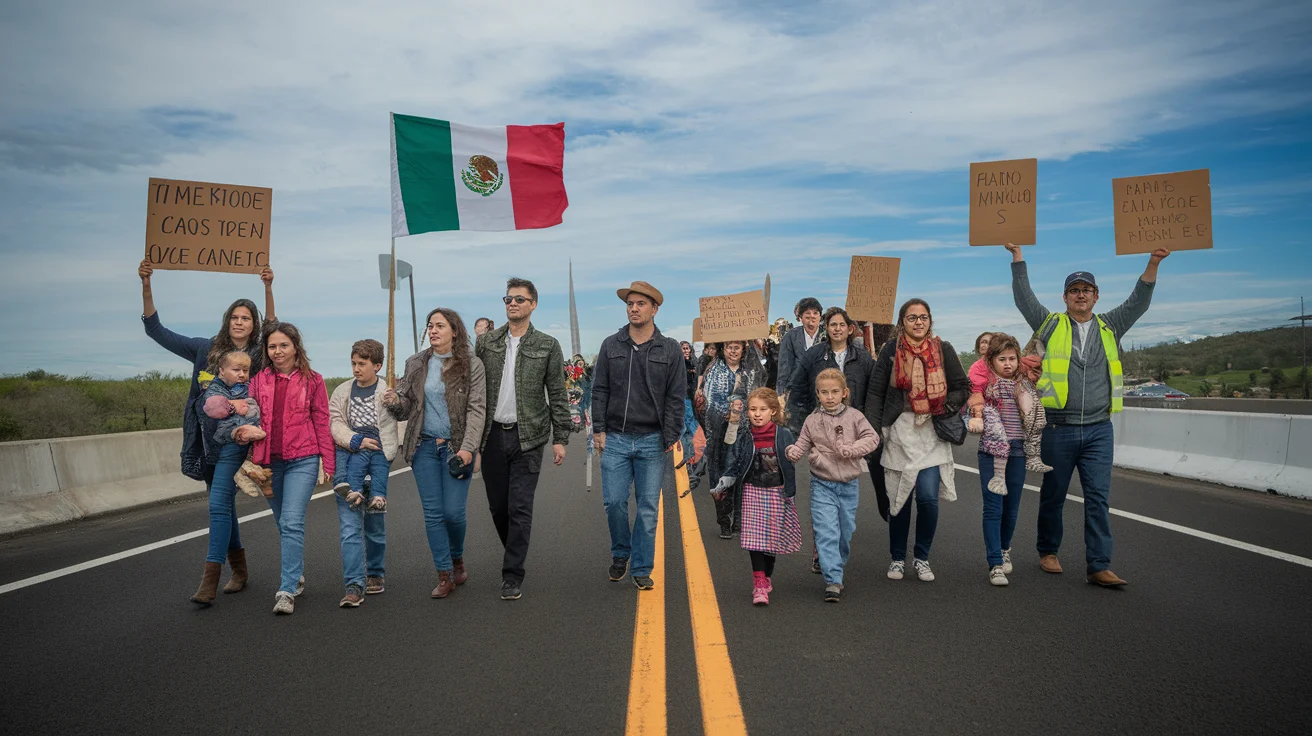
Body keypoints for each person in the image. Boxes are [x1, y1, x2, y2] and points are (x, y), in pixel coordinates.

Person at [1006, 242, 1169, 587]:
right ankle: (1048, 550)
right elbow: (1024, 299)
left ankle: (1098, 564)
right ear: (1065, 297)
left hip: (1098, 429)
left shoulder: (1111, 325)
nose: (1080, 295)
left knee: (1098, 497)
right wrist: (1018, 259)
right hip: (1058, 428)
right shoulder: (1050, 324)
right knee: (1054, 494)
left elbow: (1139, 300)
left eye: (1086, 290)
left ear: (1096, 296)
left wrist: (1153, 261)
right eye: (1074, 290)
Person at [138, 259, 275, 605]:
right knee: (224, 504)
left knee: (217, 506)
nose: (240, 322)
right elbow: (157, 331)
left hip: (238, 442)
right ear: (227, 321)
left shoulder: (259, 356)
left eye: (246, 318)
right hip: (205, 442)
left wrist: (268, 288)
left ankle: (209, 581)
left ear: (253, 324)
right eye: (235, 317)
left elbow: (275, 327)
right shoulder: (206, 350)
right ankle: (240, 571)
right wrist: (146, 284)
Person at [476, 277, 570, 602]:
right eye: (508, 299)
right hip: (491, 437)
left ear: (533, 304)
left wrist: (561, 437)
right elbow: (472, 390)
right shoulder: (486, 343)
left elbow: (557, 393)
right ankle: (514, 549)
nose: (512, 303)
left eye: (519, 299)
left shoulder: (547, 345)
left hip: (528, 437)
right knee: (498, 508)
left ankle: (512, 573)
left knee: (520, 507)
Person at [384, 308, 487, 599]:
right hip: (423, 446)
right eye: (430, 326)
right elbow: (406, 409)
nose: (433, 330)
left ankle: (457, 559)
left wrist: (468, 447)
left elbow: (477, 408)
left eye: (440, 325)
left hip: (456, 448)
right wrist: (394, 401)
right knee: (432, 514)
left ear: (455, 330)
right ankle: (444, 575)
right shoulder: (416, 363)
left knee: (453, 513)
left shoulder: (471, 364)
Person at [865, 299, 969, 584]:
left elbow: (962, 387)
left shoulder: (943, 348)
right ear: (902, 322)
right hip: (899, 432)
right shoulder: (890, 351)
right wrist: (873, 433)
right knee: (899, 500)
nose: (918, 322)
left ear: (930, 320)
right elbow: (875, 393)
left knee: (927, 498)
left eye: (923, 317)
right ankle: (897, 558)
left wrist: (945, 407)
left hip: (932, 433)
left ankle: (922, 557)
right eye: (912, 318)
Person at [592, 280, 685, 590]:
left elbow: (676, 395)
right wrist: (599, 429)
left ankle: (642, 567)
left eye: (640, 303)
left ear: (654, 309)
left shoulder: (670, 348)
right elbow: (600, 388)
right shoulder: (611, 345)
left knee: (648, 507)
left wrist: (671, 434)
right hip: (616, 438)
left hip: (651, 440)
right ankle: (621, 553)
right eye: (630, 304)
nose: (633, 308)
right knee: (614, 502)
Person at [248, 321, 335, 615]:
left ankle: (286, 590)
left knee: (292, 520)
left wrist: (329, 462)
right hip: (269, 464)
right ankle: (295, 573)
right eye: (272, 346)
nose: (277, 351)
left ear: (296, 346)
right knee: (282, 522)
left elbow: (322, 421)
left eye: (283, 345)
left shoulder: (313, 380)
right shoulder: (258, 380)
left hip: (304, 458)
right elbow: (248, 417)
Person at [785, 369, 879, 602]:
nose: (829, 396)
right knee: (826, 531)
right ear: (817, 394)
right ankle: (833, 579)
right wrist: (794, 451)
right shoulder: (812, 420)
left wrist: (852, 449)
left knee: (845, 532)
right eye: (824, 392)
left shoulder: (855, 416)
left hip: (849, 484)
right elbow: (802, 443)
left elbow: (872, 438)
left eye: (835, 392)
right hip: (822, 483)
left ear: (844, 393)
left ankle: (833, 561)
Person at [709, 387, 800, 605]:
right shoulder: (744, 435)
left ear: (773, 411)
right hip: (751, 490)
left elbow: (791, 461)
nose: (757, 414)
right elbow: (733, 461)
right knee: (755, 539)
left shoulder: (784, 434)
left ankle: (766, 574)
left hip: (777, 492)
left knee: (771, 540)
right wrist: (725, 481)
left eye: (763, 409)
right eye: (752, 409)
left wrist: (790, 488)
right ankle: (759, 583)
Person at [966, 333, 1044, 587]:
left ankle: (1004, 548)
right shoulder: (984, 388)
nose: (1008, 364)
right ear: (991, 361)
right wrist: (975, 415)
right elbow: (973, 404)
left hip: (1019, 452)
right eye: (1002, 359)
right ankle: (995, 563)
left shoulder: (1026, 385)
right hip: (992, 452)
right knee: (993, 507)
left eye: (1012, 359)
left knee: (1011, 508)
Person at [328, 339, 399, 605]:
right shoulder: (342, 392)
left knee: (374, 522)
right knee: (349, 527)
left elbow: (401, 413)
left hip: (379, 459)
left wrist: (395, 401)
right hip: (350, 458)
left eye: (362, 364)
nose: (356, 369)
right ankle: (354, 585)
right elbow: (335, 422)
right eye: (354, 363)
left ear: (377, 366)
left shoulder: (387, 390)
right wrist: (356, 440)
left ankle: (375, 574)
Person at [699, 340, 769, 539]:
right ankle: (724, 521)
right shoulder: (714, 370)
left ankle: (739, 519)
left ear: (743, 349)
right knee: (720, 478)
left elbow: (757, 395)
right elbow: (709, 399)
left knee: (743, 476)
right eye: (729, 347)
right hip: (719, 434)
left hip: (744, 432)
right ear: (723, 348)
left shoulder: (750, 370)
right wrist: (728, 413)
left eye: (737, 347)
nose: (732, 351)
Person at [786, 307, 874, 434]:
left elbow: (872, 393)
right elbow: (797, 389)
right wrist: (799, 427)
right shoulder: (813, 355)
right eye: (833, 325)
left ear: (850, 329)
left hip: (854, 427)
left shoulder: (863, 358)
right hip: (821, 427)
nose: (837, 329)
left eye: (842, 325)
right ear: (826, 328)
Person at [201, 351, 265, 447]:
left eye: (245, 370)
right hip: (228, 430)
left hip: (251, 421)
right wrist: (232, 404)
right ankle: (240, 434)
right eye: (236, 370)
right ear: (222, 371)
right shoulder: (216, 388)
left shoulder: (249, 385)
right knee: (225, 429)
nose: (242, 374)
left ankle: (253, 431)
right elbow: (212, 406)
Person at [776, 297, 825, 398]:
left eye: (816, 313)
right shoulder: (790, 336)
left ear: (820, 316)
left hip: (823, 391)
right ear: (800, 318)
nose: (812, 317)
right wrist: (781, 395)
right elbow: (784, 368)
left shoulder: (826, 336)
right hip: (797, 391)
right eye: (807, 314)